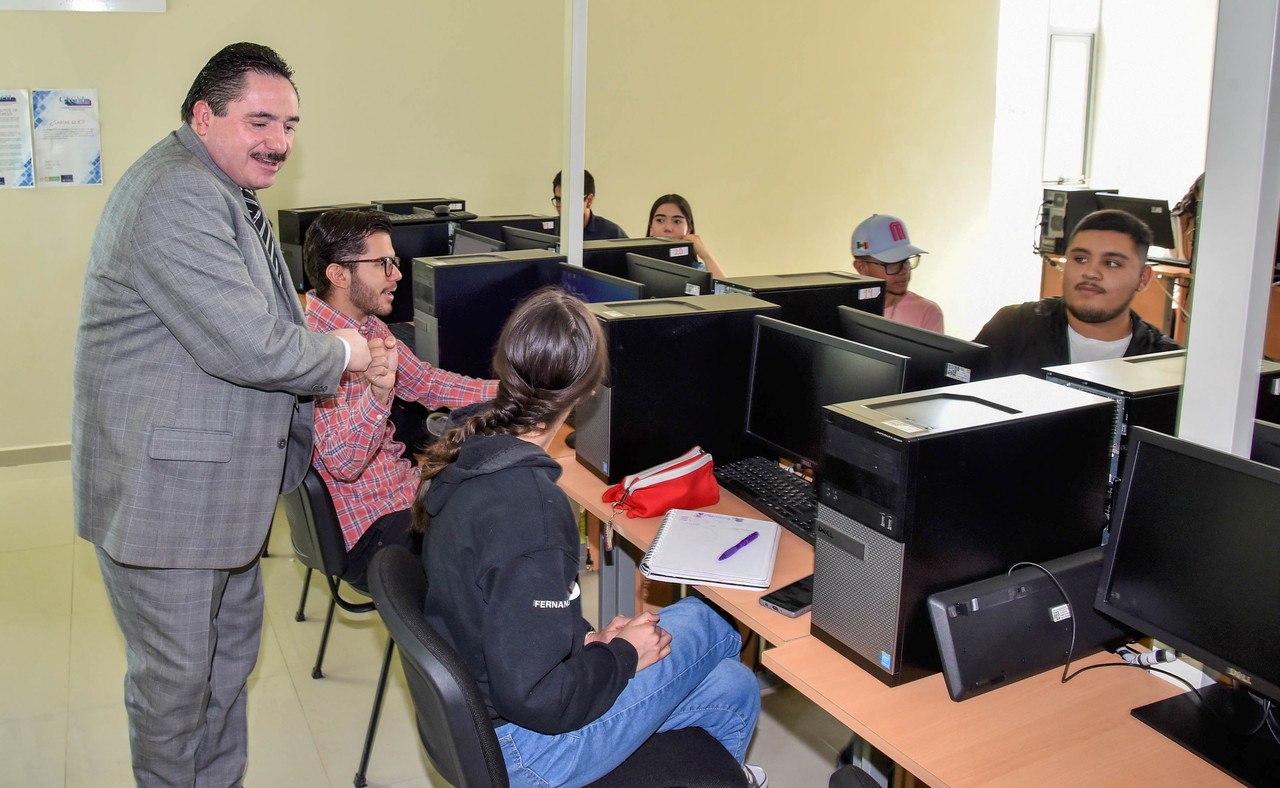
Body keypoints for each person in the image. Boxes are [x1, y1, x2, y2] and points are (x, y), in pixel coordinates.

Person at [72, 43, 374, 787]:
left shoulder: (221, 186)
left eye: (291, 124)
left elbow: (255, 320)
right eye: (260, 121)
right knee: (176, 691)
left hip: (218, 498)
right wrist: (347, 351)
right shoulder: (176, 192)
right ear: (203, 117)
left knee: (227, 669)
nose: (279, 141)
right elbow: (249, 344)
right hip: (167, 505)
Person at [414, 288, 766, 788]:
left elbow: (508, 616)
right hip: (526, 749)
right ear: (586, 393)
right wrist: (620, 657)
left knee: (732, 685)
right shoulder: (530, 510)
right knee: (709, 622)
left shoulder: (470, 450)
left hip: (488, 715)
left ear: (504, 364)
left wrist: (589, 641)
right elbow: (537, 695)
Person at [303, 209, 496, 587]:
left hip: (400, 496)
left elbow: (426, 383)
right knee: (501, 536)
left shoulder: (366, 324)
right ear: (339, 274)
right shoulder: (312, 350)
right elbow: (344, 464)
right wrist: (377, 393)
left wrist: (511, 393)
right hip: (370, 533)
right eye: (383, 264)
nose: (397, 275)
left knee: (496, 498)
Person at [974, 208, 1181, 377]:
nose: (1090, 272)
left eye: (1111, 263)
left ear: (1143, 279)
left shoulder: (1167, 363)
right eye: (1080, 259)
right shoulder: (1014, 327)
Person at [850, 213, 945, 333]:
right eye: (892, 263)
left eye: (906, 260)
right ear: (862, 267)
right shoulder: (840, 307)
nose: (904, 270)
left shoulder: (926, 312)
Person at [646, 193, 727, 278]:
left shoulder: (697, 269)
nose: (668, 228)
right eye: (660, 220)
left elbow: (728, 290)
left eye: (677, 221)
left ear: (688, 229)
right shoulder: (633, 264)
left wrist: (707, 256)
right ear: (650, 226)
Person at [553, 169, 628, 240]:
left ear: (589, 200)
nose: (563, 207)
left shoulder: (612, 234)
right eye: (558, 199)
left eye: (570, 200)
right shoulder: (551, 231)